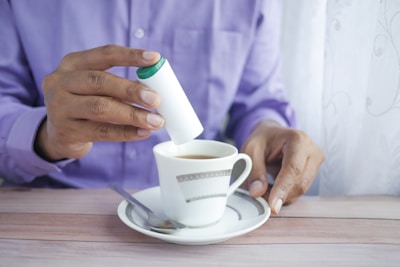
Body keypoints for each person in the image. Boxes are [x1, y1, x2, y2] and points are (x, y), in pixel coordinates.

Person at [0, 0, 324, 214]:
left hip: (201, 214)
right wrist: (47, 136)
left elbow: (258, 100)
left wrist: (268, 131)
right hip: (57, 211)